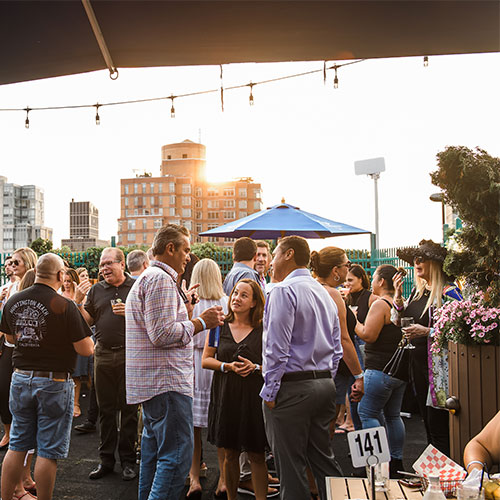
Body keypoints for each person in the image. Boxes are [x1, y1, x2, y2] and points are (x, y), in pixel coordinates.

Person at [125, 224, 224, 500]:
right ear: (170, 248)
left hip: (157, 382)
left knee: (155, 455)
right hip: (166, 382)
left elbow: (160, 329)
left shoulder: (151, 278)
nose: (189, 257)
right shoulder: (159, 279)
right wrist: (203, 321)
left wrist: (188, 312)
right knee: (177, 457)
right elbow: (162, 334)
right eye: (186, 249)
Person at [0, 253, 94, 500]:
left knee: (17, 444)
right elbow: (86, 349)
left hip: (20, 378)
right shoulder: (65, 305)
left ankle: (5, 497)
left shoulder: (14, 300)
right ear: (61, 275)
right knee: (48, 451)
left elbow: (9, 338)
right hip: (53, 382)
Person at [261, 236, 343, 500]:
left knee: (291, 467)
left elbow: (276, 347)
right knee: (323, 460)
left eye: (274, 254)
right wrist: (326, 380)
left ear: (288, 254)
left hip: (292, 387)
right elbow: (336, 347)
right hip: (323, 385)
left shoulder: (283, 290)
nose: (271, 260)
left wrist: (270, 392)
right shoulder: (325, 293)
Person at [75, 247, 139, 481]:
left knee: (129, 410)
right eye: (102, 265)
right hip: (102, 355)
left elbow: (149, 320)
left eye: (109, 263)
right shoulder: (96, 290)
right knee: (106, 410)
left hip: (130, 355)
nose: (104, 268)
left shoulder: (136, 287)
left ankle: (129, 461)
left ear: (122, 264)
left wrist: (130, 313)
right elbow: (86, 322)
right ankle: (106, 461)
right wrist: (79, 303)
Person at [394, 239, 462, 456]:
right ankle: (434, 474)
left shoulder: (449, 293)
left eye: (421, 259)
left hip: (440, 369)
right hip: (418, 364)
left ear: (434, 263)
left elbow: (460, 329)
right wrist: (397, 296)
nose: (416, 263)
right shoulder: (418, 291)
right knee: (427, 421)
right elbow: (397, 321)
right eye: (415, 259)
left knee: (439, 423)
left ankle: (444, 475)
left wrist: (427, 332)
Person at [203, 279, 269, 500]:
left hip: (253, 397)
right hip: (226, 395)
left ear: (253, 302)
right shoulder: (219, 327)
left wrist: (256, 368)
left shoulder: (264, 329)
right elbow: (206, 360)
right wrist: (227, 366)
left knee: (257, 454)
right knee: (230, 454)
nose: (236, 299)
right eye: (235, 294)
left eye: (243, 295)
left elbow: (275, 363)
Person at [355, 265, 407, 477]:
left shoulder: (380, 304)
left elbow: (368, 335)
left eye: (374, 278)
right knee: (393, 416)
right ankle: (396, 462)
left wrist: (353, 321)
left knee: (366, 413)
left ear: (382, 282)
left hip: (379, 370)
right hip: (398, 371)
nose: (372, 282)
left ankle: (375, 465)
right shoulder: (398, 304)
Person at [187, 258, 229, 499]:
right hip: (215, 366)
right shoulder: (226, 302)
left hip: (193, 365)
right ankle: (223, 478)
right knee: (221, 424)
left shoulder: (192, 303)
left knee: (193, 428)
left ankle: (194, 477)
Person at [309, 247, 365, 419]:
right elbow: (343, 338)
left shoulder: (308, 288)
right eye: (347, 265)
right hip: (328, 371)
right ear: (335, 270)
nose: (348, 268)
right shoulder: (332, 294)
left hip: (306, 370)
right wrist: (359, 375)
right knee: (326, 428)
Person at [0, 248, 37, 497]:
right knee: (20, 412)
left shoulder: (32, 290)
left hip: (29, 358)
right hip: (13, 353)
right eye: (9, 262)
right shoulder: (8, 290)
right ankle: (16, 486)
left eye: (16, 262)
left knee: (29, 419)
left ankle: (24, 478)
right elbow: (10, 332)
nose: (10, 265)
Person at [73, 267, 98, 434]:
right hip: (83, 337)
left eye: (87, 275)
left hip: (94, 338)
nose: (86, 278)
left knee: (92, 376)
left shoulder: (94, 292)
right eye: (82, 275)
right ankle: (88, 415)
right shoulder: (80, 296)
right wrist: (78, 302)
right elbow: (86, 321)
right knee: (81, 373)